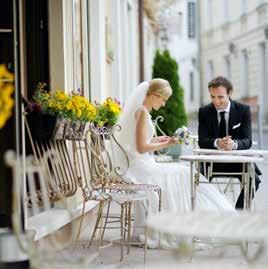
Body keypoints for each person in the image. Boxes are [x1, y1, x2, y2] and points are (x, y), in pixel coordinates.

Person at [114, 78, 234, 249]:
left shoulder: (142, 112)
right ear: (154, 95)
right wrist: (168, 143)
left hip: (143, 164)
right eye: (163, 100)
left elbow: (139, 141)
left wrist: (159, 139)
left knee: (184, 173)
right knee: (183, 174)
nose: (163, 104)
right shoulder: (142, 112)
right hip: (142, 168)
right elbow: (141, 148)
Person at [198, 76, 261, 209]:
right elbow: (202, 141)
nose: (216, 101)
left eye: (220, 97)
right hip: (211, 162)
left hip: (236, 161)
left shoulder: (243, 110)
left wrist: (234, 144)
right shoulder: (204, 112)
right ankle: (208, 211)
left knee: (254, 179)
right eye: (212, 96)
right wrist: (218, 143)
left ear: (229, 93)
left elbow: (247, 140)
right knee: (199, 180)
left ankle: (237, 212)